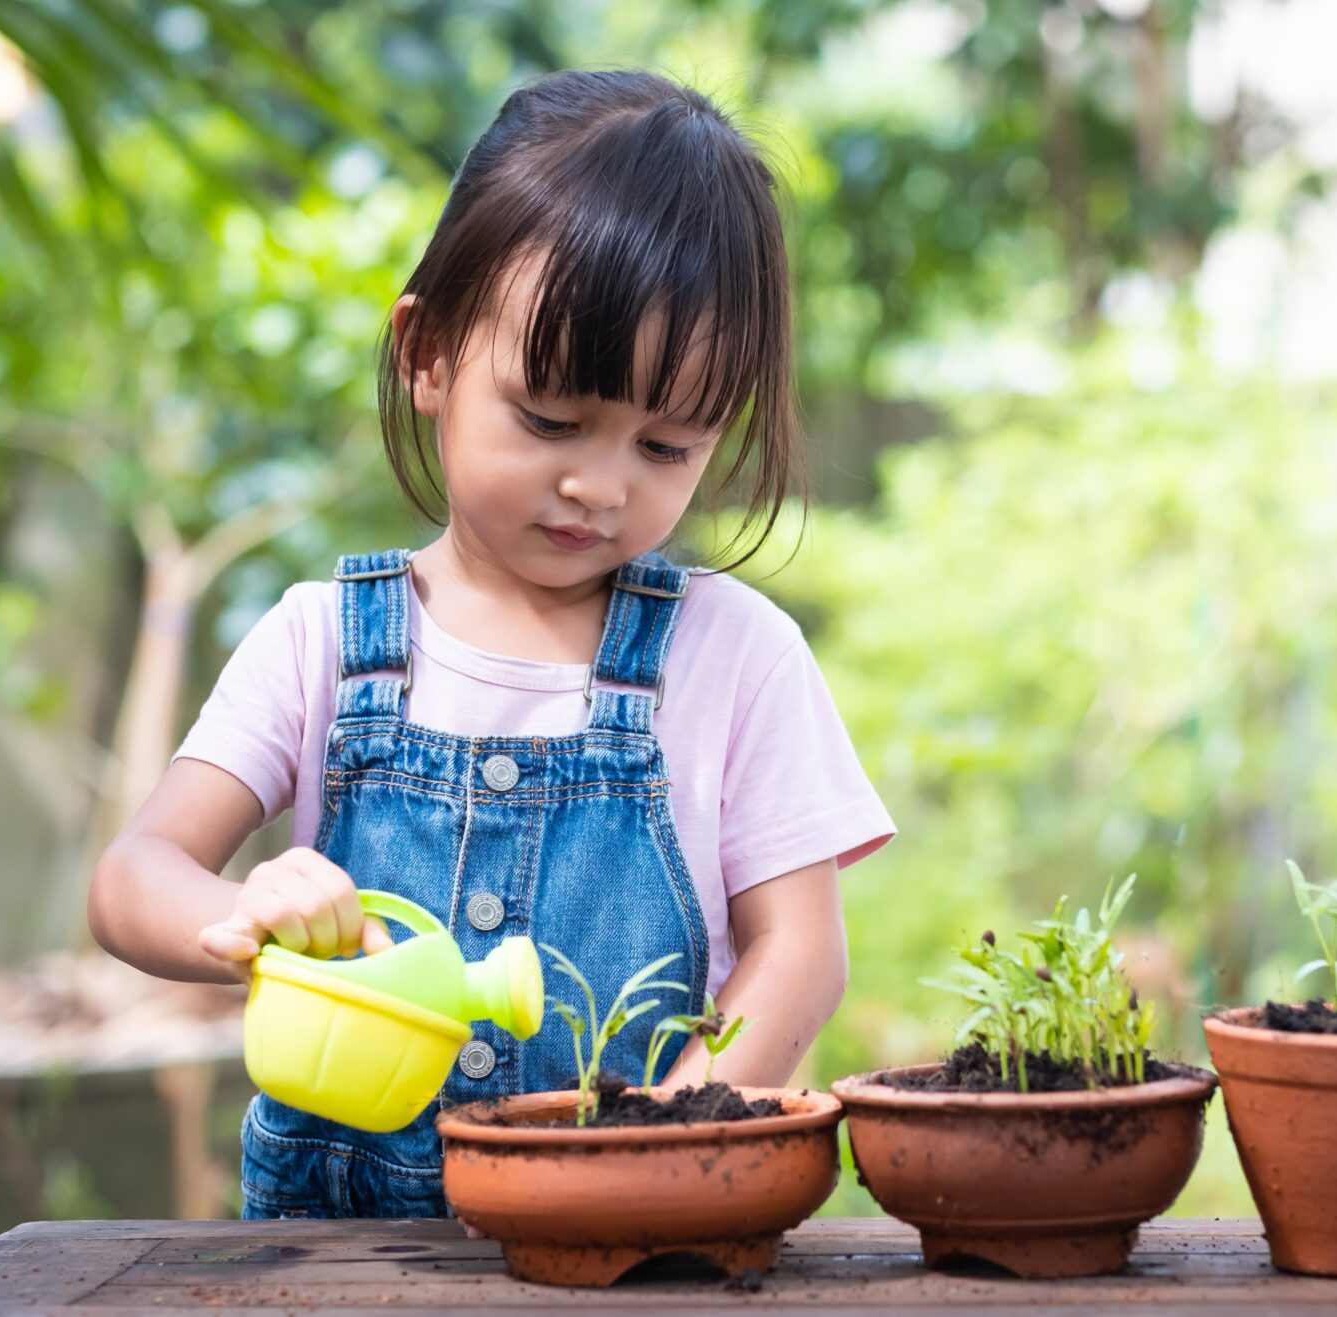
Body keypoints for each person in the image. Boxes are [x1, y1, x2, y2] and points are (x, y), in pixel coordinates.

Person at [87, 69, 894, 1219]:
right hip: (341, 1269)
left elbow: (800, 958)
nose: (597, 484)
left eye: (666, 447)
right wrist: (241, 918)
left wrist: (667, 1148)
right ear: (426, 352)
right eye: (552, 419)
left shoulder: (735, 656)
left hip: (647, 1244)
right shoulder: (324, 643)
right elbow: (130, 881)